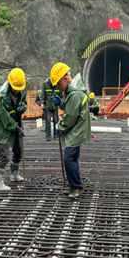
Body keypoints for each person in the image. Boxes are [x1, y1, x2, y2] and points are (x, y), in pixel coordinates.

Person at [50, 62, 91, 199]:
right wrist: (60, 103)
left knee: (68, 159)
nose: (57, 87)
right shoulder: (70, 92)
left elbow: (71, 117)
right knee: (71, 159)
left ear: (65, 78)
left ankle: (77, 187)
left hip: (76, 131)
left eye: (58, 84)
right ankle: (74, 186)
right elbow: (70, 108)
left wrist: (59, 127)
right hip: (75, 130)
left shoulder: (74, 94)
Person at [0, 68, 28, 191]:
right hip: (4, 127)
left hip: (17, 122)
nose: (17, 90)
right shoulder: (2, 96)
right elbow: (4, 117)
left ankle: (14, 174)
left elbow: (24, 102)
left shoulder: (22, 89)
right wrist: (15, 127)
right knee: (4, 154)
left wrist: (23, 108)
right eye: (15, 88)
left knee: (19, 150)